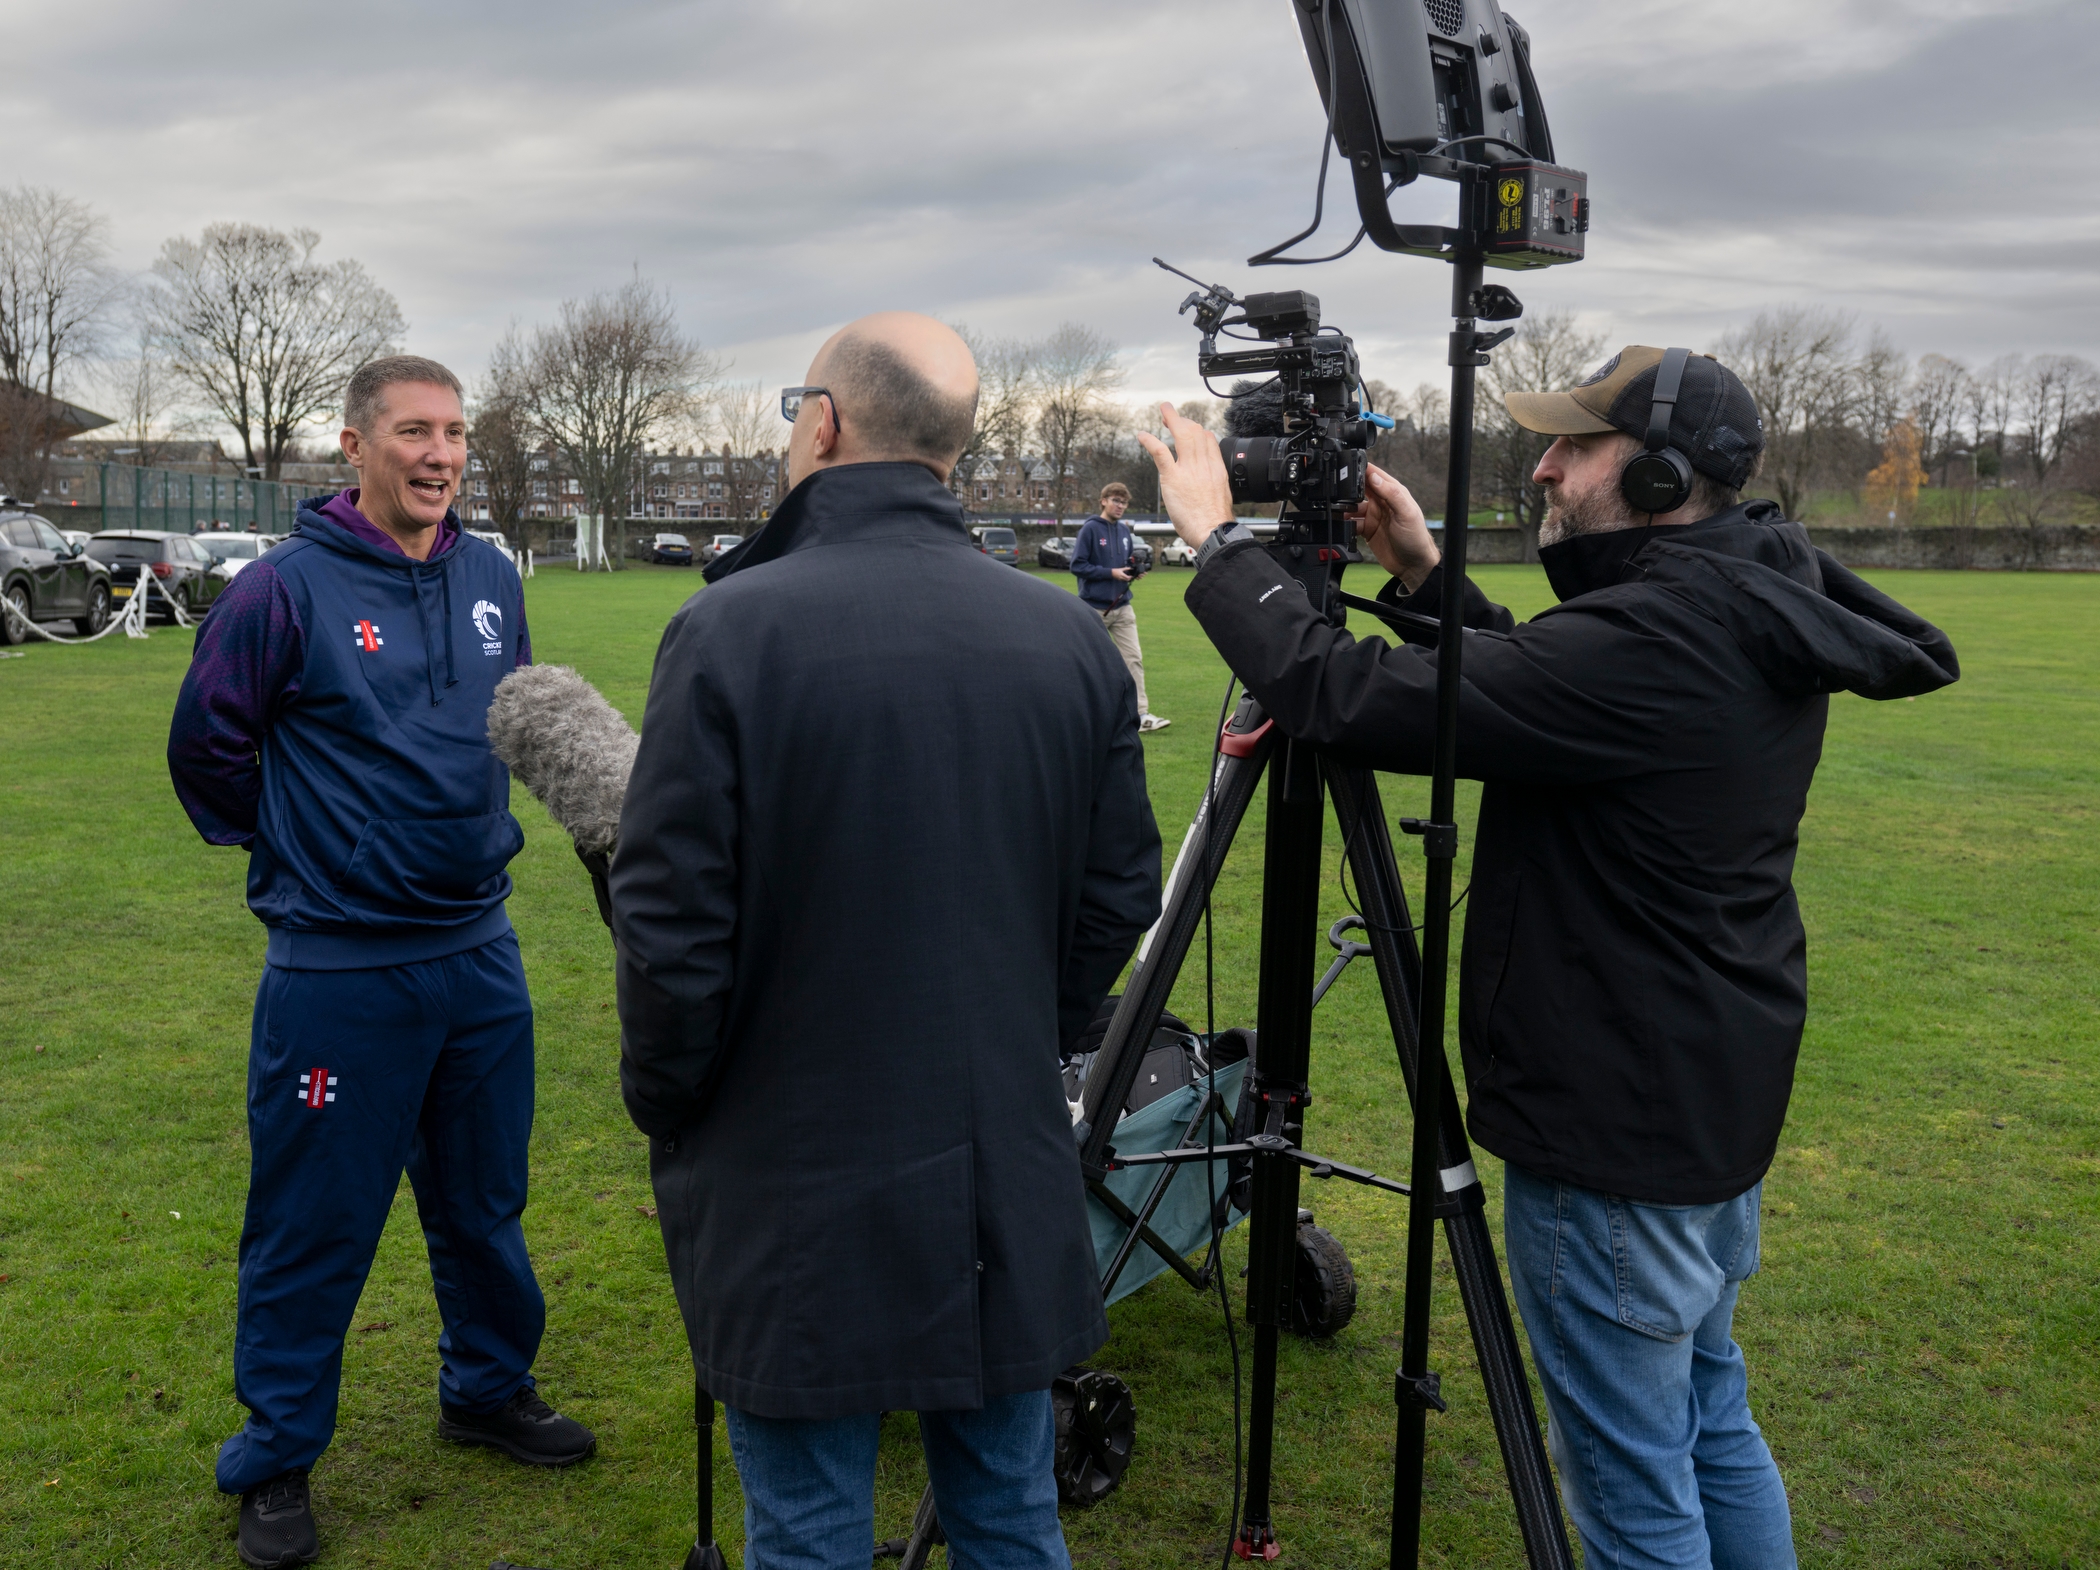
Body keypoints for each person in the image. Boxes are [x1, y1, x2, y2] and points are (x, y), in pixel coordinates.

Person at [1139, 346, 1959, 1570]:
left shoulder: (1664, 635)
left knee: (1633, 1488)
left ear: (1664, 473)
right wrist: (1423, 571)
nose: (1543, 464)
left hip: (1615, 1127)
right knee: (1707, 1414)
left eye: (1575, 446)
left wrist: (1218, 547)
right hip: (1703, 1100)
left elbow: (1343, 694)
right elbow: (1545, 693)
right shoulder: (1735, 594)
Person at [610, 312, 1161, 1570]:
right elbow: (1118, 890)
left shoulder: (733, 629)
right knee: (1009, 1512)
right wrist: (1038, 1028)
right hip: (990, 1150)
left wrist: (674, 1096)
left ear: (824, 422)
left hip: (795, 1156)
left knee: (811, 1531)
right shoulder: (1069, 639)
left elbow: (670, 927)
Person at [167, 356, 593, 1569]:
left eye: (455, 434)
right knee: (315, 1217)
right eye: (414, 431)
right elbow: (208, 749)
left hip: (478, 949)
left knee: (483, 1197)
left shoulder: (493, 575)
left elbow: (511, 722)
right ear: (354, 444)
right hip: (341, 971)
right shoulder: (282, 591)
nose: (440, 454)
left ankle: (487, 1387)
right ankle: (279, 1455)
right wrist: (311, 844)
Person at [1070, 481, 1169, 731]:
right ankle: (1084, 715)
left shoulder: (1124, 531)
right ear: (1103, 501)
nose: (1120, 506)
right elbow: (1077, 566)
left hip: (1123, 607)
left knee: (1133, 659)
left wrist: (1133, 571)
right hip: (1094, 609)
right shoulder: (1090, 529)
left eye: (1124, 502)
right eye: (1116, 500)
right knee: (1091, 665)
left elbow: (1125, 563)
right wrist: (1110, 573)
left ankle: (1141, 715)